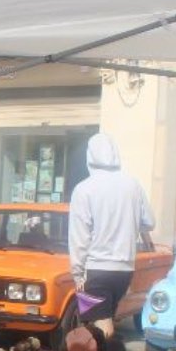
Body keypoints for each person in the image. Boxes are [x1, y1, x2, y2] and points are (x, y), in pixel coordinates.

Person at [68, 132, 155, 337]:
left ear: (90, 156)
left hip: (96, 269)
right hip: (124, 270)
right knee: (94, 322)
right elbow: (149, 222)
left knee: (100, 325)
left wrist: (78, 272)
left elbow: (79, 236)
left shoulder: (84, 189)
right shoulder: (133, 185)